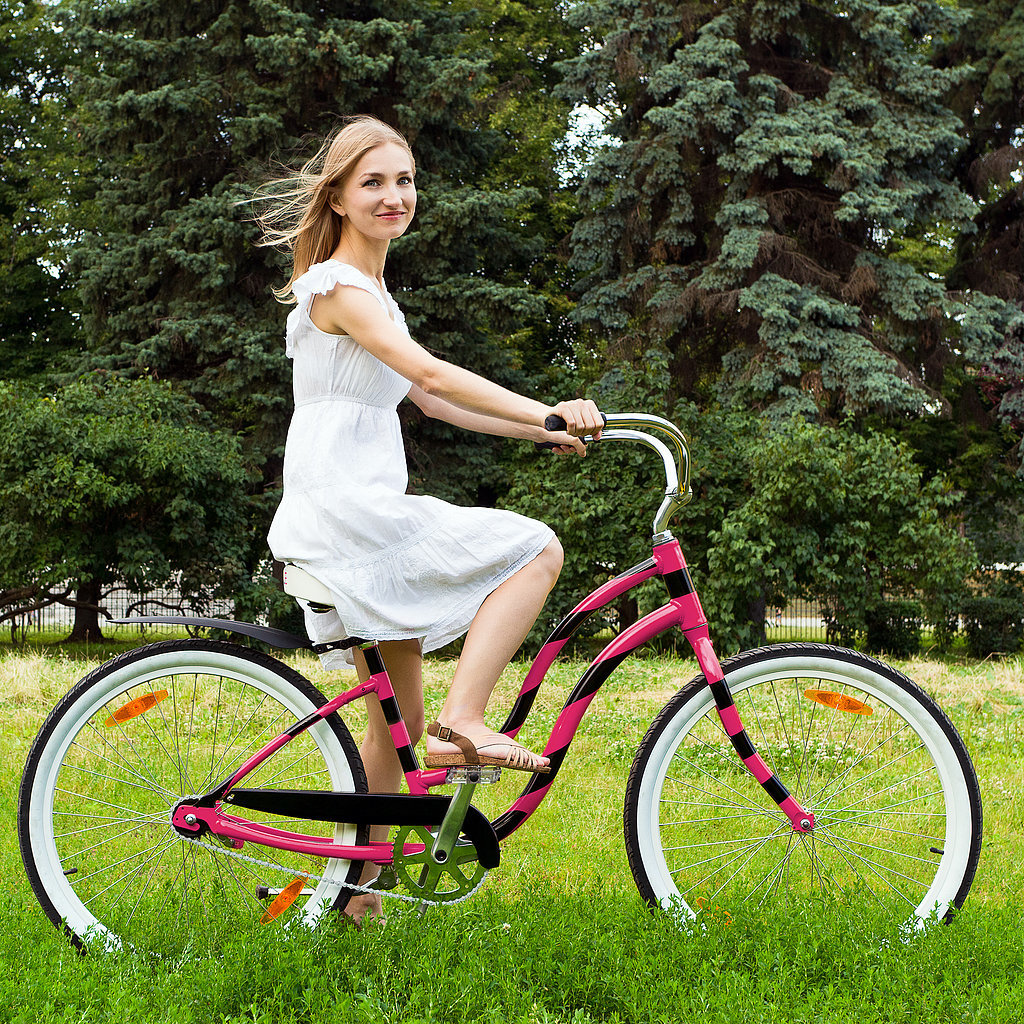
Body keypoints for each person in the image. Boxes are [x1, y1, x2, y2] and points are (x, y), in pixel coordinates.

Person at [253, 115, 602, 923]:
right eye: (372, 182)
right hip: (350, 510)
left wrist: (540, 431)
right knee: (537, 550)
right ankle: (471, 715)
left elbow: (432, 401)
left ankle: (357, 897)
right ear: (338, 197)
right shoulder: (337, 288)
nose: (393, 196)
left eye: (404, 180)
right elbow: (431, 370)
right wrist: (549, 410)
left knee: (397, 731)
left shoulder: (374, 294)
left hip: (356, 509)